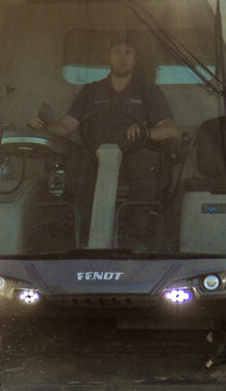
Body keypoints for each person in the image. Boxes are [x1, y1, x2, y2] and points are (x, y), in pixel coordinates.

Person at [32, 36, 178, 245]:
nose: (122, 58)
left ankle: (134, 239)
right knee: (79, 165)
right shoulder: (90, 92)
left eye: (128, 52)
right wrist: (45, 125)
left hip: (134, 156)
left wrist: (146, 132)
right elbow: (66, 126)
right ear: (107, 57)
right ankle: (83, 240)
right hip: (93, 156)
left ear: (136, 58)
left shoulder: (149, 91)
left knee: (146, 163)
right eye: (117, 52)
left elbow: (170, 129)